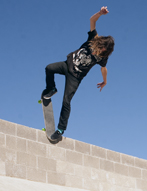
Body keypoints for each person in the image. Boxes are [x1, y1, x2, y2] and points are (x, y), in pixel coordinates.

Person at [42, 6, 114, 144]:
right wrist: (100, 13)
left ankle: (60, 130)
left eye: (103, 51)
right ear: (101, 42)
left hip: (75, 77)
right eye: (101, 48)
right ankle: (51, 89)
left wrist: (105, 81)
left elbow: (104, 69)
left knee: (66, 101)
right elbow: (92, 21)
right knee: (49, 68)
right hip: (66, 65)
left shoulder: (103, 58)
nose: (99, 52)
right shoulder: (94, 38)